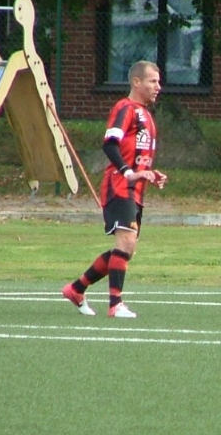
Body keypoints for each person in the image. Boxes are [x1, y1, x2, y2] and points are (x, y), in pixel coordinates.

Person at [61, 60, 168, 318]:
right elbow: (110, 144)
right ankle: (115, 304)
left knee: (127, 249)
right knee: (126, 241)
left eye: (159, 82)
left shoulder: (147, 116)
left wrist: (150, 174)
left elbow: (136, 155)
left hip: (135, 190)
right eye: (153, 81)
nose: (158, 87)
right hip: (119, 185)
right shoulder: (125, 108)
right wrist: (130, 173)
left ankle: (76, 289)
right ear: (136, 82)